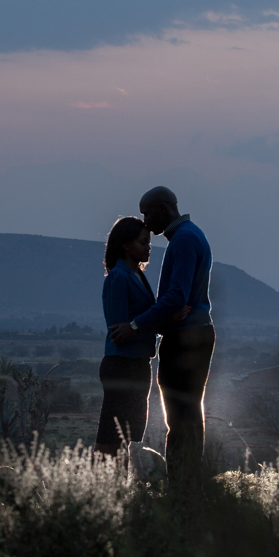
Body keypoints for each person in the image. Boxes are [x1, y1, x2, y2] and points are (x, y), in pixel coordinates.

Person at [109, 186, 214, 478]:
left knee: (180, 417)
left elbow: (176, 297)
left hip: (186, 339)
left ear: (162, 210)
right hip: (191, 334)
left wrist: (136, 324)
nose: (145, 221)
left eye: (147, 214)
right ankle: (187, 485)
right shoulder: (190, 235)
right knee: (188, 413)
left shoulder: (183, 241)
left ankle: (181, 487)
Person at [95, 217, 189, 456]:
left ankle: (118, 489)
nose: (149, 247)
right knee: (111, 436)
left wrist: (164, 320)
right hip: (122, 365)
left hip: (138, 366)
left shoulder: (137, 275)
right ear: (126, 245)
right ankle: (98, 488)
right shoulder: (119, 276)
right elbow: (120, 331)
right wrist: (163, 319)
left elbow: (138, 323)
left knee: (127, 437)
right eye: (143, 242)